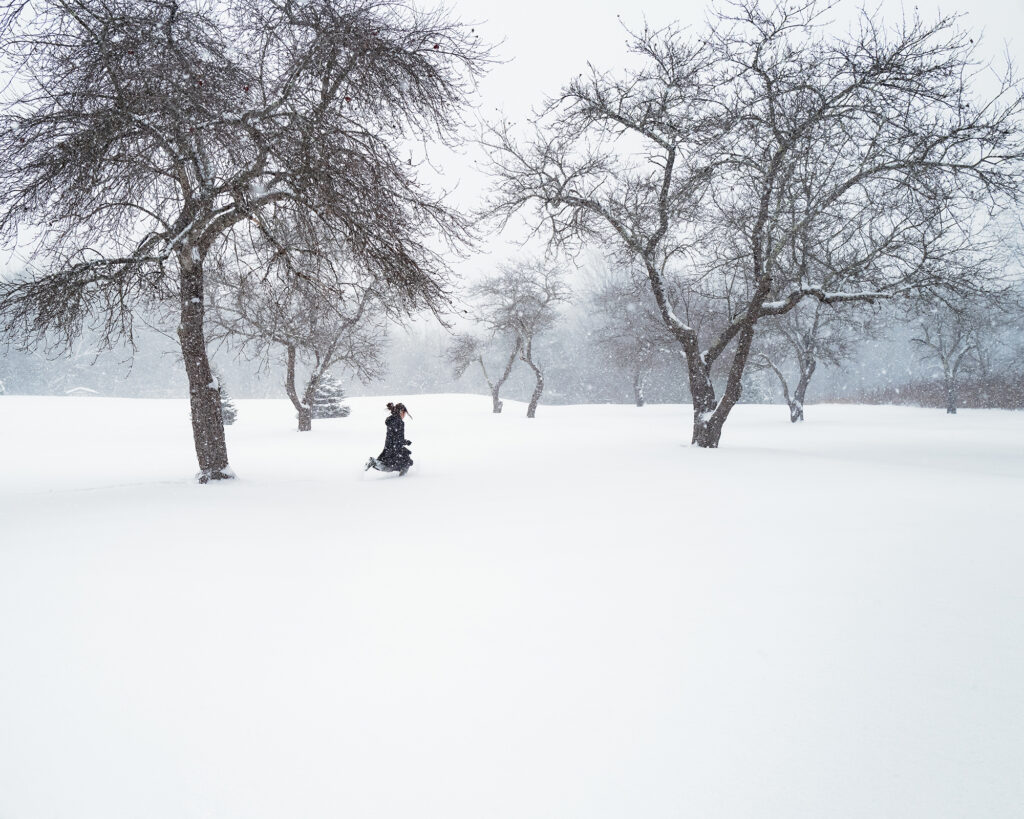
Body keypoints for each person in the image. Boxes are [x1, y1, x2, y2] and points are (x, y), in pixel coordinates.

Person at [365, 402, 413, 476]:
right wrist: (405, 442)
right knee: (405, 462)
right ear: (401, 411)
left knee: (388, 464)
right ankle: (402, 479)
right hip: (396, 448)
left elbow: (394, 435)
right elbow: (398, 437)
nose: (404, 415)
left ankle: (374, 462)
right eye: (404, 413)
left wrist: (403, 441)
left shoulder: (391, 419)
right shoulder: (399, 422)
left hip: (389, 446)